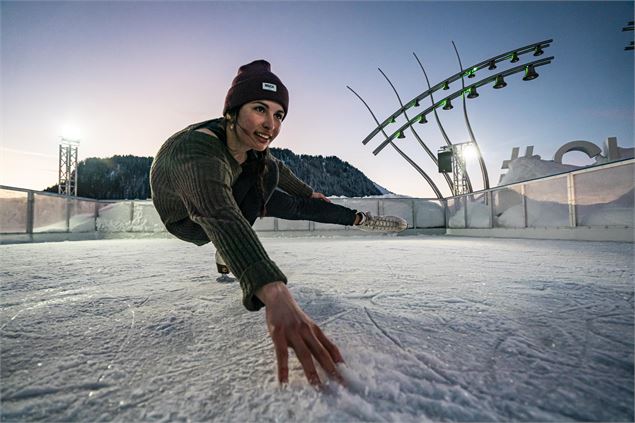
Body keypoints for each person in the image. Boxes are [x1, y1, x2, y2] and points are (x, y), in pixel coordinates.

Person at [150, 60, 407, 387]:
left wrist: (309, 192)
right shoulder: (196, 150)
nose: (270, 124)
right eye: (260, 109)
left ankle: (362, 219)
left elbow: (281, 171)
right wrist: (274, 291)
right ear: (232, 111)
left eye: (278, 115)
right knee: (260, 180)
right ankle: (225, 251)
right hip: (189, 218)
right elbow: (218, 211)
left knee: (282, 185)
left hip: (233, 198)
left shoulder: (253, 147)